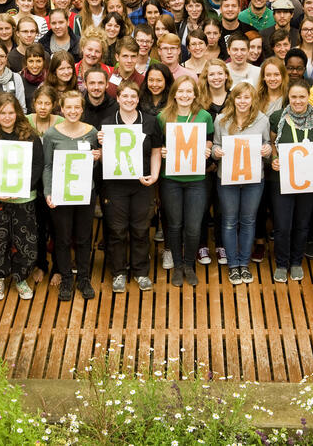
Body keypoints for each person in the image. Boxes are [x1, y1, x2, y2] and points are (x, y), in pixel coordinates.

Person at [0, 93, 44, 301]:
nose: (7, 117)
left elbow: (37, 165)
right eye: (2, 112)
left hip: (24, 199)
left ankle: (21, 278)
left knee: (25, 239)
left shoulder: (30, 136)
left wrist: (22, 188)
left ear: (18, 113)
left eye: (11, 112)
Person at [99, 81, 162, 292]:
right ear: (117, 98)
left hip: (142, 184)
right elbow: (103, 157)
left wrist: (154, 176)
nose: (129, 100)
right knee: (117, 230)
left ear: (138, 99)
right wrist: (101, 144)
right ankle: (118, 272)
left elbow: (156, 151)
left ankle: (141, 272)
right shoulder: (108, 123)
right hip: (115, 186)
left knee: (141, 229)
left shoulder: (150, 121)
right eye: (124, 96)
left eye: (133, 96)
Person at [41, 89, 101, 301]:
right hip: (61, 192)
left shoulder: (92, 132)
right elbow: (47, 166)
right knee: (63, 238)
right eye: (69, 107)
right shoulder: (51, 134)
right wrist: (48, 191)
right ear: (62, 109)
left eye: (77, 107)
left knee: (84, 237)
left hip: (85, 192)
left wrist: (97, 158)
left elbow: (94, 165)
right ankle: (66, 278)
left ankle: (83, 278)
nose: (73, 111)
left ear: (82, 109)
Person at [211, 82, 271, 285]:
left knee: (248, 221)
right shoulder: (221, 119)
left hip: (253, 178)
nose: (243, 101)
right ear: (233, 99)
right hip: (227, 178)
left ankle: (244, 263)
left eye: (247, 97)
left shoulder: (262, 119)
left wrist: (267, 150)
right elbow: (215, 145)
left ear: (253, 100)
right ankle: (232, 265)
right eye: (239, 97)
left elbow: (268, 144)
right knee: (229, 221)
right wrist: (216, 152)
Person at [268, 79, 313, 282]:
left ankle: (296, 262)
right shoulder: (277, 117)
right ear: (288, 97)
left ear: (309, 97)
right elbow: (272, 143)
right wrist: (274, 159)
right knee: (282, 225)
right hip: (281, 180)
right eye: (294, 97)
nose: (298, 101)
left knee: (302, 223)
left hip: (307, 180)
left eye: (302, 96)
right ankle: (281, 263)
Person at [158, 75, 214, 286]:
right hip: (171, 179)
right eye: (180, 91)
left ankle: (189, 265)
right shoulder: (163, 117)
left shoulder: (204, 116)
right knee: (174, 225)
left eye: (189, 91)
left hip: (197, 179)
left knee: (193, 226)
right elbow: (157, 145)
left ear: (195, 94)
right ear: (174, 94)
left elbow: (209, 139)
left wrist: (207, 148)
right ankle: (178, 265)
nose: (184, 95)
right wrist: (162, 150)